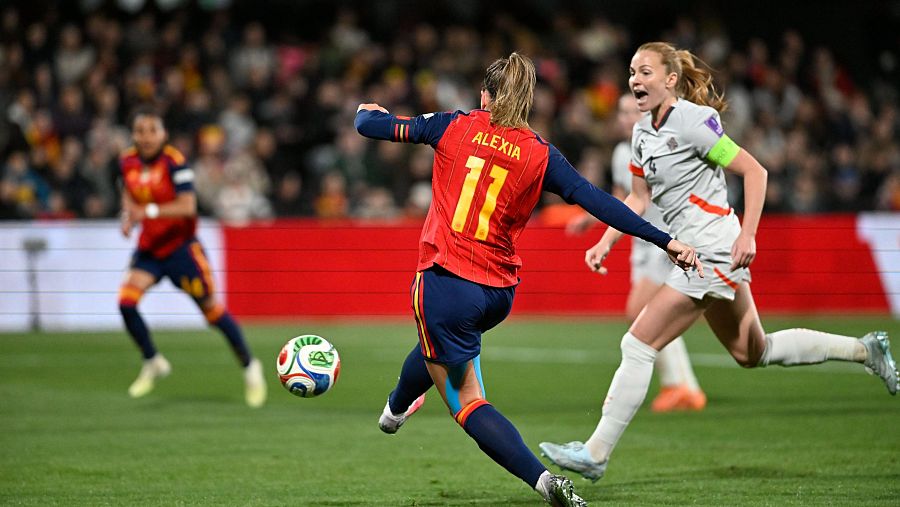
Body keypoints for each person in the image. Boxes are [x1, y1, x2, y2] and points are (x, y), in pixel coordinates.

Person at [539, 42, 898, 482]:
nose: (636, 80)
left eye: (646, 71)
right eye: (633, 71)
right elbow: (638, 198)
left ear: (671, 79)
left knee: (638, 343)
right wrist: (608, 240)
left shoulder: (694, 122)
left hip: (711, 248)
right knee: (753, 351)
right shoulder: (640, 134)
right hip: (698, 252)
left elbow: (755, 171)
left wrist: (748, 233)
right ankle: (866, 350)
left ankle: (595, 453)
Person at [355, 52, 702, 507]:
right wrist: (665, 240)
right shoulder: (540, 153)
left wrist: (367, 111)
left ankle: (543, 482)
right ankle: (395, 410)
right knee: (437, 347)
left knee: (466, 402)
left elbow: (370, 128)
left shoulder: (452, 125)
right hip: (497, 293)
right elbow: (597, 201)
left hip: (446, 280)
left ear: (485, 95)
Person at [117, 107, 267, 408]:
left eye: (152, 131)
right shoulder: (127, 161)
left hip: (181, 249)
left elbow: (187, 206)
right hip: (150, 249)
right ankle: (152, 360)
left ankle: (250, 366)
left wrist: (146, 212)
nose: (146, 137)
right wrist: (127, 216)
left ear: (163, 134)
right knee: (126, 302)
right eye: (140, 131)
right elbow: (129, 194)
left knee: (212, 312)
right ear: (134, 135)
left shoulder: (175, 163)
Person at [567, 93, 706, 412]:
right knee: (650, 314)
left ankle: (679, 385)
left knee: (640, 310)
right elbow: (622, 198)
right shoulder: (620, 152)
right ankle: (682, 385)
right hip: (640, 245)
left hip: (666, 238)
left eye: (633, 111)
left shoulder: (662, 146)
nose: (627, 117)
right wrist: (591, 221)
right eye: (622, 112)